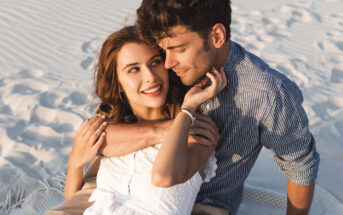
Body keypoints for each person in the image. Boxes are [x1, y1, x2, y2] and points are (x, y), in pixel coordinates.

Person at [98, 0, 320, 215]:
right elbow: (101, 135)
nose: (167, 63)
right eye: (165, 51)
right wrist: (170, 128)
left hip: (204, 205)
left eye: (179, 49)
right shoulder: (162, 63)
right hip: (132, 195)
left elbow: (300, 164)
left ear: (216, 36)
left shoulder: (269, 94)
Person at [45, 25, 228, 215]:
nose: (150, 77)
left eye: (155, 62)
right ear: (118, 84)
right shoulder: (118, 134)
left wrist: (187, 110)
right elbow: (82, 198)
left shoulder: (196, 130)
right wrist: (75, 163)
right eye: (134, 69)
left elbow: (163, 176)